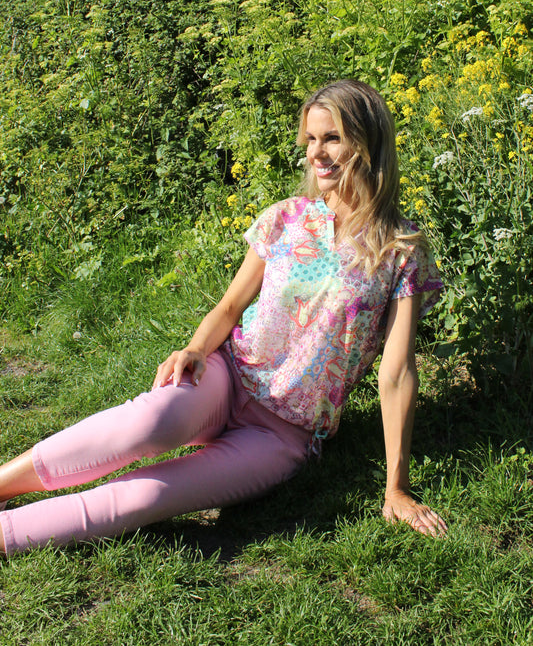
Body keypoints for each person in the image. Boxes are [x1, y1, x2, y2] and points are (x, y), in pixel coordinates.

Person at [0, 79, 447, 555]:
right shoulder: (285, 219)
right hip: (227, 376)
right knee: (144, 425)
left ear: (368, 141)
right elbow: (230, 307)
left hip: (282, 434)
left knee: (150, 496)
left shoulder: (401, 251)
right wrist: (196, 348)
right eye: (311, 139)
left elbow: (397, 373)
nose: (316, 153)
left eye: (332, 138)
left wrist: (396, 488)